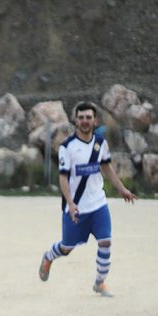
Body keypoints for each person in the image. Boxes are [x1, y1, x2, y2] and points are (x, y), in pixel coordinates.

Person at [38, 101, 137, 296]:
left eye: (88, 118)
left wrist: (122, 189)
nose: (85, 121)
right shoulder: (67, 147)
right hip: (76, 208)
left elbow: (107, 167)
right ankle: (49, 257)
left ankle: (99, 283)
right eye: (81, 117)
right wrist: (71, 203)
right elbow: (63, 177)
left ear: (95, 120)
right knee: (67, 247)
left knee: (106, 241)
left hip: (98, 204)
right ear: (75, 120)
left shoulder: (101, 142)